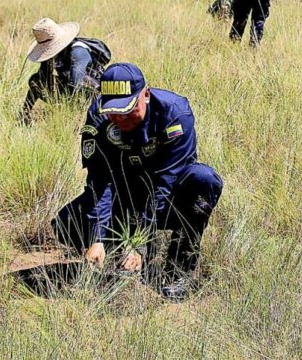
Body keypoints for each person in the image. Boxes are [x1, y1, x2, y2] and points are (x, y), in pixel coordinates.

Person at [52, 63, 224, 302]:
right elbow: (99, 182)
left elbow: (164, 184)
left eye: (127, 109)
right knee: (65, 224)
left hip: (167, 201)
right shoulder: (98, 116)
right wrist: (97, 237)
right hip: (123, 198)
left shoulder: (175, 114)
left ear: (146, 94)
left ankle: (178, 268)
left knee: (203, 180)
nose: (119, 118)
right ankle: (114, 253)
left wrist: (138, 241)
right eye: (113, 111)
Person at [20, 18, 111, 125]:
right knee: (35, 80)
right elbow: (42, 77)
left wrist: (65, 115)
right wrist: (25, 111)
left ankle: (79, 118)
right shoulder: (53, 55)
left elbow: (76, 84)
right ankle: (24, 115)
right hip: (71, 89)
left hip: (93, 94)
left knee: (79, 83)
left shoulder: (78, 52)